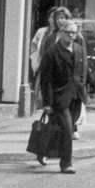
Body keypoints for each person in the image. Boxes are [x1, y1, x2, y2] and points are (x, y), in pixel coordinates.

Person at [37, 13, 87, 174]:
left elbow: (83, 70)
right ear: (61, 33)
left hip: (76, 96)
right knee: (67, 130)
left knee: (64, 129)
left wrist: (84, 86)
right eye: (68, 33)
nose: (71, 36)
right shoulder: (52, 52)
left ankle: (43, 151)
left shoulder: (79, 49)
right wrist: (47, 103)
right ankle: (66, 163)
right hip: (59, 97)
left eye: (74, 33)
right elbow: (46, 80)